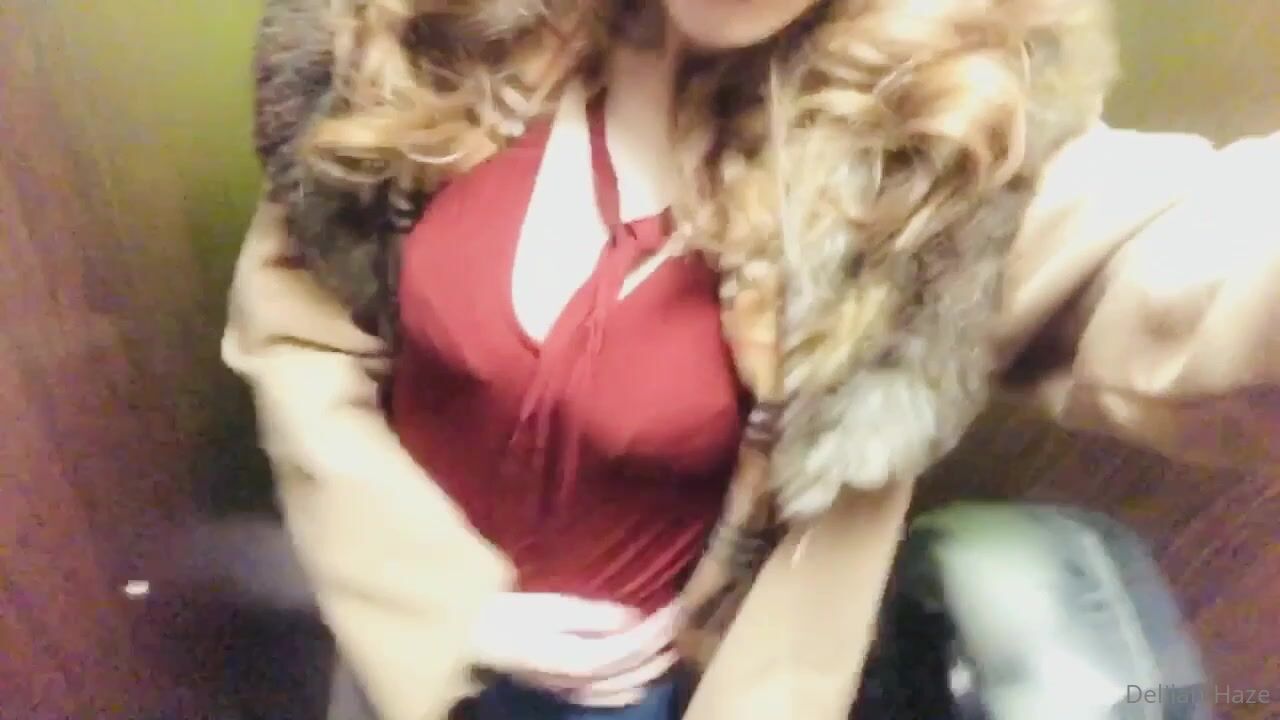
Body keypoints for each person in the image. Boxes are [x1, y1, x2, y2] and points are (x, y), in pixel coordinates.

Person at [223, 0, 1280, 719]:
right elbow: (302, 339)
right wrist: (436, 605)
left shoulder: (940, 152)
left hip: (649, 692)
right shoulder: (421, 35)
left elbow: (1169, 256)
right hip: (411, 657)